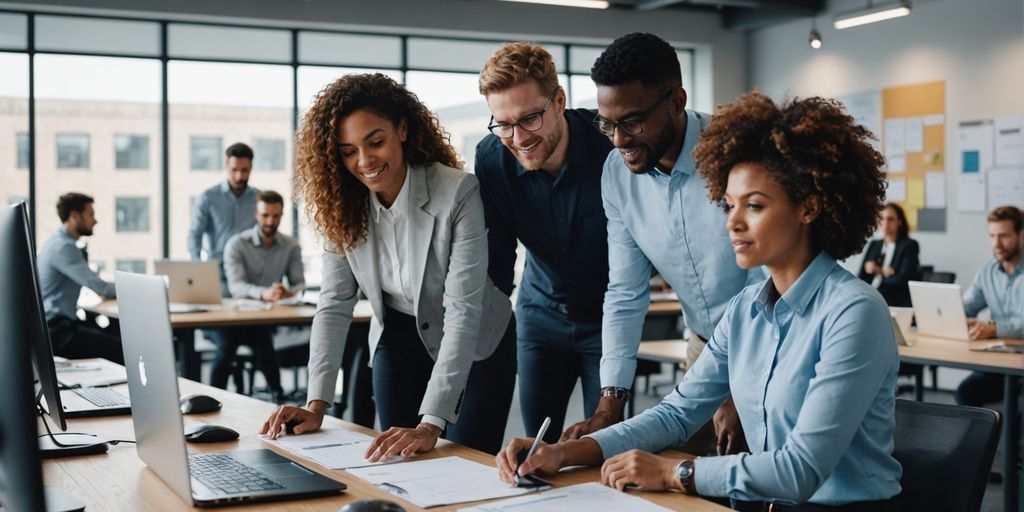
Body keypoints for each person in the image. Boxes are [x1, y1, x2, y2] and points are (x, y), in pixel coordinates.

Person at [498, 91, 902, 511]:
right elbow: (676, 414)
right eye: (728, 205)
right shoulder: (745, 310)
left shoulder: (854, 312)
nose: (733, 222)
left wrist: (673, 472)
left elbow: (800, 469)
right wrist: (563, 452)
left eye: (754, 206)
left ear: (809, 207)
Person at [259, 73, 516, 456]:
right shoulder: (342, 207)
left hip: (477, 343)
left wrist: (429, 425)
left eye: (375, 142)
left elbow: (462, 309)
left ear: (403, 130)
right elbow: (334, 304)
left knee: (467, 465)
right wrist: (316, 405)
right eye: (348, 151)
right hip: (397, 336)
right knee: (396, 464)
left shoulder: (458, 192)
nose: (364, 161)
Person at [562, 33, 760, 454]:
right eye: (606, 123)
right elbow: (625, 291)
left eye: (632, 122)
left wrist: (742, 386)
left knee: (764, 469)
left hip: (769, 340)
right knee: (683, 461)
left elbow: (768, 280)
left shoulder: (738, 155)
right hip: (704, 345)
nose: (618, 139)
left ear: (677, 101)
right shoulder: (617, 174)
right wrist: (609, 403)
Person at [475, 42, 613, 444]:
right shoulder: (492, 159)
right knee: (537, 446)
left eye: (529, 118)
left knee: (606, 444)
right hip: (540, 317)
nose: (518, 138)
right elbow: (497, 262)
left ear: (559, 102)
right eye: (503, 124)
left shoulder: (610, 146)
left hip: (608, 320)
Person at [214, 190, 305, 397]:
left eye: (276, 216)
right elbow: (236, 286)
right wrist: (265, 293)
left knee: (263, 340)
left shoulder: (290, 246)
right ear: (256, 214)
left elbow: (299, 284)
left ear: (282, 215)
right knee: (226, 347)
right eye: (265, 216)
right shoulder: (237, 244)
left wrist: (288, 293)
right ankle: (213, 398)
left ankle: (277, 396)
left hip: (263, 320)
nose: (270, 221)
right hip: (231, 319)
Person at [38, 193, 123, 364]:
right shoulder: (63, 247)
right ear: (74, 216)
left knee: (113, 336)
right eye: (90, 214)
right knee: (122, 350)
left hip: (56, 326)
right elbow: (100, 288)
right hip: (57, 333)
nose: (95, 221)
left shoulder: (54, 241)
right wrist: (134, 289)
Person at [955, 205, 1024, 407]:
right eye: (992, 236)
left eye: (1004, 236)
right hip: (999, 359)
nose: (997, 244)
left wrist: (993, 329)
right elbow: (968, 305)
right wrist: (953, 314)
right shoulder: (988, 271)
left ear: (1021, 235)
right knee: (965, 393)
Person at [188, 142, 260, 290]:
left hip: (249, 275)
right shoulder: (208, 197)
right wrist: (196, 269)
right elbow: (195, 234)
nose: (239, 176)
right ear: (226, 165)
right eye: (234, 170)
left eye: (244, 170)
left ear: (251, 167)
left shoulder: (259, 199)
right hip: (216, 276)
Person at [858, 202, 920, 307]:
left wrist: (877, 270)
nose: (885, 223)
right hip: (872, 296)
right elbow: (862, 275)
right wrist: (883, 271)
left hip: (896, 300)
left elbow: (901, 280)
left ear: (899, 222)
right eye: (882, 218)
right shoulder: (875, 244)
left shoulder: (909, 245)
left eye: (890, 219)